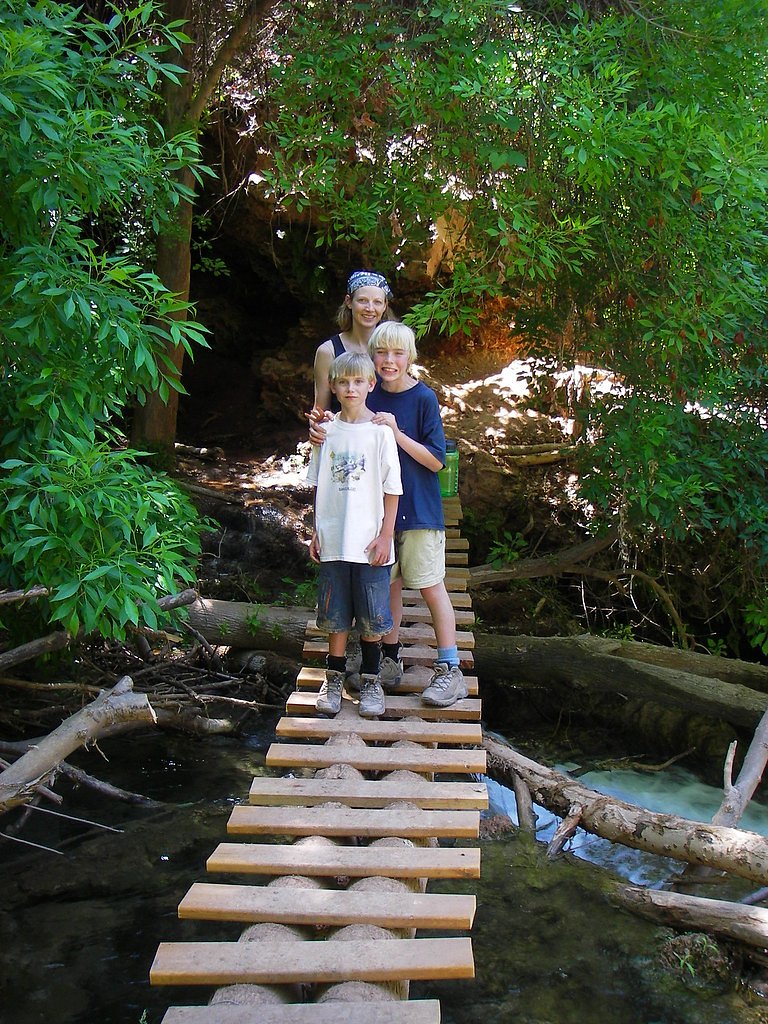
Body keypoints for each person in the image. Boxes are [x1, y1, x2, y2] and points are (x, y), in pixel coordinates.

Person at [311, 319, 468, 708]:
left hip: (418, 510)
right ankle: (388, 659)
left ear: (410, 357)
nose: (389, 360)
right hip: (371, 515)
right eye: (381, 352)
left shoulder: (423, 398)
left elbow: (436, 461)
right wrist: (318, 428)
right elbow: (341, 428)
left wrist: (397, 434)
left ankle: (450, 668)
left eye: (398, 353)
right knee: (387, 587)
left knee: (430, 584)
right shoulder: (367, 389)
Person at [306, 351, 402, 718]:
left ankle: (371, 679)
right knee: (334, 614)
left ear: (370, 385)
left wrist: (385, 535)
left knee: (373, 615)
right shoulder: (326, 432)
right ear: (332, 385)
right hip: (334, 539)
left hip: (370, 542)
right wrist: (315, 531)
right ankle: (332, 679)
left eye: (358, 382)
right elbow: (318, 486)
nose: (350, 388)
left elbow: (392, 488)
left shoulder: (379, 434)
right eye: (343, 382)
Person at [313, 270, 395, 414]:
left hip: (387, 433)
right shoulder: (328, 351)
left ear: (384, 306)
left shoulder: (394, 349)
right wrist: (317, 428)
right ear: (349, 302)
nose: (370, 308)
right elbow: (321, 410)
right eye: (362, 300)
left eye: (377, 302)